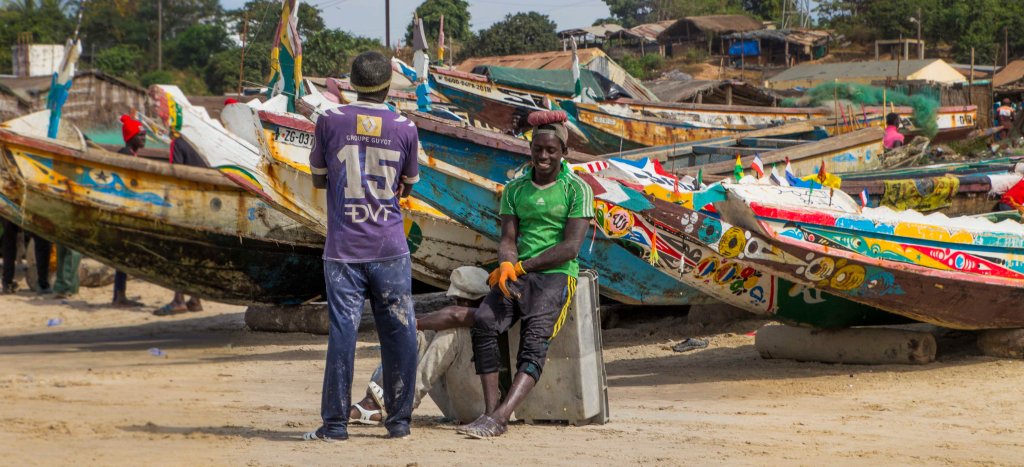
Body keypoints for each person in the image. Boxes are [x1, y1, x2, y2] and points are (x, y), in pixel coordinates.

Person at [304, 51, 421, 442]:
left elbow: (320, 179)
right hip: (390, 246)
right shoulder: (406, 126)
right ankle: (399, 422)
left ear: (351, 83)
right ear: (388, 85)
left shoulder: (330, 120)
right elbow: (408, 184)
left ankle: (335, 426)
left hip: (343, 250)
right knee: (400, 333)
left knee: (343, 334)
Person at [458, 110, 593, 439]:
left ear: (564, 153)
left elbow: (570, 247)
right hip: (517, 273)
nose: (544, 156)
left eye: (551, 150)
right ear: (530, 150)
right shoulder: (515, 189)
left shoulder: (577, 189)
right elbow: (507, 239)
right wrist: (506, 263)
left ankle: (502, 417)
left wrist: (522, 266)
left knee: (533, 345)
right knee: (485, 322)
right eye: (538, 150)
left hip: (556, 275)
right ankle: (490, 413)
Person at [349, 266, 489, 426]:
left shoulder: (492, 313)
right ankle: (375, 400)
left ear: (483, 299)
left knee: (452, 332)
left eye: (464, 300)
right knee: (424, 332)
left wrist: (412, 323)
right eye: (457, 300)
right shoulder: (457, 314)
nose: (458, 304)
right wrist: (408, 324)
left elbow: (454, 315)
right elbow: (442, 316)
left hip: (479, 409)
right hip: (454, 405)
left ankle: (404, 403)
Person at [153, 136, 208, 316]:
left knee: (179, 252)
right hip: (204, 205)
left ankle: (178, 300)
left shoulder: (178, 143)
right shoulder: (200, 140)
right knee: (193, 253)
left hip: (186, 205)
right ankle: (195, 299)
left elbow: (176, 175)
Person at [110, 115, 146, 308]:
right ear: (131, 137)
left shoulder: (130, 154)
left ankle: (119, 294)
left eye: (144, 134)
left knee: (123, 254)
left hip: (126, 209)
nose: (144, 138)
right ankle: (119, 296)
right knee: (122, 254)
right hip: (122, 210)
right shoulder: (125, 155)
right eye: (140, 134)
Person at [1, 220, 52, 295]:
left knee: (9, 238)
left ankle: (7, 282)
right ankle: (43, 284)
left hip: (11, 209)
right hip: (32, 211)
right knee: (41, 238)